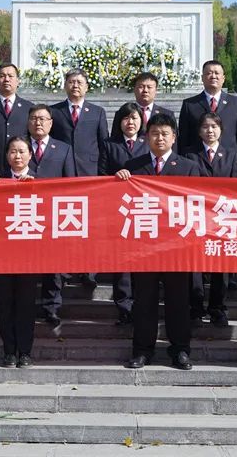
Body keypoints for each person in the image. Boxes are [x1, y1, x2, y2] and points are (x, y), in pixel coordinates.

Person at [116, 113, 200, 370]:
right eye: (154, 133)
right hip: (145, 247)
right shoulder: (134, 166)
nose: (159, 138)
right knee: (144, 301)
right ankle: (143, 350)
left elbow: (197, 205)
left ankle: (180, 350)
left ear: (174, 137)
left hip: (177, 246)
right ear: (146, 137)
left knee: (178, 301)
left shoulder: (188, 167)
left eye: (165, 133)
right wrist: (119, 179)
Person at [0, 136, 43, 368]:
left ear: (31, 154)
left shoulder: (42, 180)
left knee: (26, 304)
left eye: (21, 152)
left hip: (30, 254)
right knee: (5, 303)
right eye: (12, 152)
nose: (17, 156)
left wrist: (36, 187)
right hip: (4, 254)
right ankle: (9, 351)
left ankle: (25, 351)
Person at [49, 68, 108, 288]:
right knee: (63, 225)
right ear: (65, 85)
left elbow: (103, 145)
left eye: (80, 82)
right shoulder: (54, 112)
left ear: (87, 86)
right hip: (61, 177)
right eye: (71, 82)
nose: (75, 86)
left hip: (88, 177)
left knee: (89, 227)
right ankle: (63, 270)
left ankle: (89, 271)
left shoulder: (97, 112)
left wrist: (101, 176)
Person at [184, 112, 237, 328]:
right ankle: (196, 308)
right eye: (206, 127)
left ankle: (218, 308)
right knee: (195, 266)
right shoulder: (189, 154)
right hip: (197, 216)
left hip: (222, 216)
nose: (210, 130)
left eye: (214, 127)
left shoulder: (230, 155)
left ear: (221, 130)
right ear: (199, 131)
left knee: (221, 265)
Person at [99, 102, 150, 326]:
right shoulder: (109, 145)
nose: (131, 122)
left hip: (144, 210)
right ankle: (123, 306)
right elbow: (100, 176)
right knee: (121, 259)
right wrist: (114, 177)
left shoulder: (149, 144)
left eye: (135, 118)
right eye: (126, 118)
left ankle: (141, 304)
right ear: (119, 122)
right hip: (118, 209)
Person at [26, 104, 76, 327]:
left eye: (43, 119)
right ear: (28, 122)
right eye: (35, 118)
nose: (39, 123)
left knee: (54, 264)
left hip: (53, 213)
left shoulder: (63, 149)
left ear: (51, 123)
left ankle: (51, 307)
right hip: (24, 213)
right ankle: (26, 304)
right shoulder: (19, 146)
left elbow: (70, 183)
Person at [178, 59, 237, 173]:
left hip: (228, 165)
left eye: (217, 73)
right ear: (202, 78)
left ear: (223, 78)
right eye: (209, 73)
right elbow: (184, 139)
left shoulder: (236, 103)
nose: (213, 76)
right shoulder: (190, 104)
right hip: (196, 164)